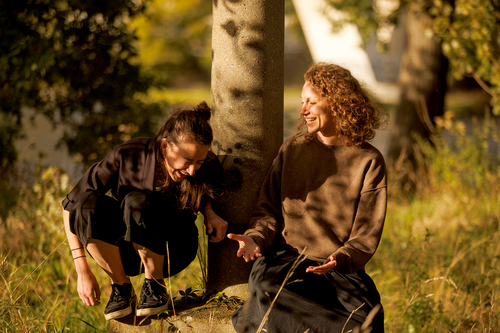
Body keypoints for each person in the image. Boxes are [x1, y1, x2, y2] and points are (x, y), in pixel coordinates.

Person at [228, 63, 388, 332]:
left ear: (338, 103)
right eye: (303, 102)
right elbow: (267, 210)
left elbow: (366, 232)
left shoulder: (369, 161)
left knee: (370, 319)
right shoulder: (292, 149)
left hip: (336, 271)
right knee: (270, 293)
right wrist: (255, 237)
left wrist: (340, 258)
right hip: (284, 263)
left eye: (311, 103)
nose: (303, 110)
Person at [62, 102, 228, 320]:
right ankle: (121, 288)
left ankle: (155, 287)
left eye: (199, 161)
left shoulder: (206, 165)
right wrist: (81, 270)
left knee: (135, 201)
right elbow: (69, 207)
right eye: (187, 161)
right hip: (126, 250)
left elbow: (207, 190)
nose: (192, 170)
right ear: (165, 146)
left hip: (175, 248)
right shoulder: (129, 154)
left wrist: (210, 212)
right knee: (89, 203)